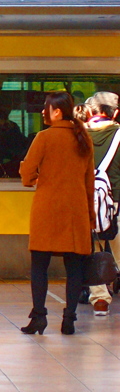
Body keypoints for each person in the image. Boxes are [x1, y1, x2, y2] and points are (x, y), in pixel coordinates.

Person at [17, 91, 94, 336]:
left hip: (47, 209)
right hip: (76, 210)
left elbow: (27, 174)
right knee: (74, 268)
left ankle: (39, 317)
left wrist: (39, 179)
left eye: (46, 107)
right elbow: (89, 182)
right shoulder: (83, 138)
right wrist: (90, 216)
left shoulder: (44, 137)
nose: (43, 111)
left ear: (57, 111)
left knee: (40, 264)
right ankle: (69, 319)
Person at [85, 91, 120, 316]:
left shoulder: (78, 135)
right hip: (116, 201)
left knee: (93, 248)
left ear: (89, 112)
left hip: (87, 201)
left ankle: (99, 299)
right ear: (115, 112)